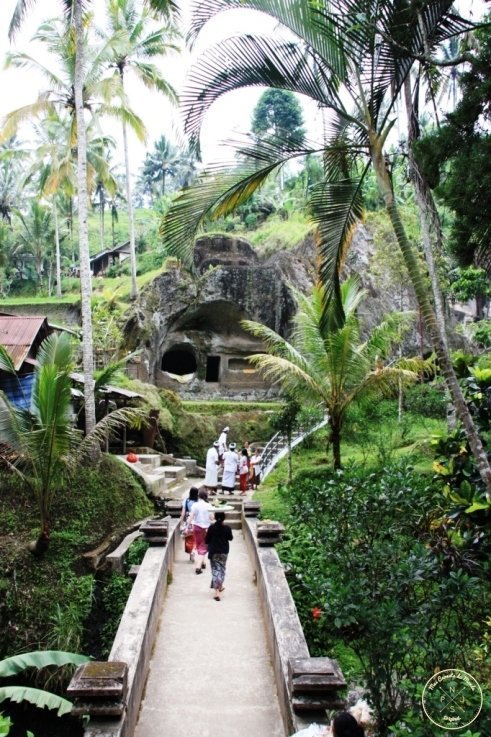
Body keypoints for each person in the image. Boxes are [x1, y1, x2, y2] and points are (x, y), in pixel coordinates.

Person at [205, 511, 233, 601]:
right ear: (224, 518)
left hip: (214, 552)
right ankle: (219, 588)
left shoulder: (211, 528)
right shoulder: (227, 528)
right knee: (222, 569)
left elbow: (206, 540)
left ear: (215, 517)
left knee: (215, 570)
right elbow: (230, 538)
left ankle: (217, 591)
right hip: (224, 552)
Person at [187, 488, 213, 574]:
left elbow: (191, 517)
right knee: (204, 546)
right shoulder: (209, 505)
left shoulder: (195, 505)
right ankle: (198, 567)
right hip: (206, 528)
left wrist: (187, 526)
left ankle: (203, 563)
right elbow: (211, 518)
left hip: (196, 527)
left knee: (199, 545)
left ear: (198, 496)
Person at [179, 486, 199, 562]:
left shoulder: (186, 501)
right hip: (197, 521)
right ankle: (194, 550)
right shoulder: (198, 502)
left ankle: (191, 553)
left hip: (188, 522)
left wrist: (181, 523)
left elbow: (183, 513)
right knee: (196, 538)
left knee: (189, 538)